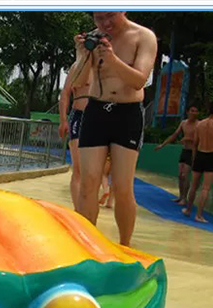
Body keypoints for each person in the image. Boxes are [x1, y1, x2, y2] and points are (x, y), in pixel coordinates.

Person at [72, 11, 158, 247]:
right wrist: (82, 55)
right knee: (88, 182)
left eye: (110, 16)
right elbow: (78, 82)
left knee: (122, 186)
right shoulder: (94, 39)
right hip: (96, 110)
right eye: (99, 18)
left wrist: (112, 60)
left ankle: (125, 246)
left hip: (127, 113)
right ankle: (86, 245)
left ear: (123, 10)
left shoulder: (143, 37)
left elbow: (139, 81)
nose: (105, 23)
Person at [183, 99, 213, 223]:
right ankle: (199, 215)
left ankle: (188, 209)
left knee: (194, 185)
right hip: (210, 155)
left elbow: (195, 143)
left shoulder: (200, 124)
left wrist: (194, 157)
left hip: (199, 155)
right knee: (205, 188)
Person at [59, 61, 91, 210]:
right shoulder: (77, 66)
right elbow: (65, 93)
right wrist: (63, 120)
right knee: (78, 169)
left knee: (92, 172)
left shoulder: (105, 63)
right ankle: (78, 210)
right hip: (79, 115)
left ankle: (86, 209)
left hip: (99, 118)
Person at [154, 105, 200, 205]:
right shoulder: (183, 123)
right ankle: (181, 196)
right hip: (184, 150)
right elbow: (174, 135)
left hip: (192, 151)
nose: (194, 113)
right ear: (188, 112)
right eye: (192, 111)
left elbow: (199, 139)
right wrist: (162, 145)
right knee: (180, 175)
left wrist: (187, 139)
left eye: (196, 111)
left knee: (185, 175)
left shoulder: (199, 125)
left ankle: (184, 198)